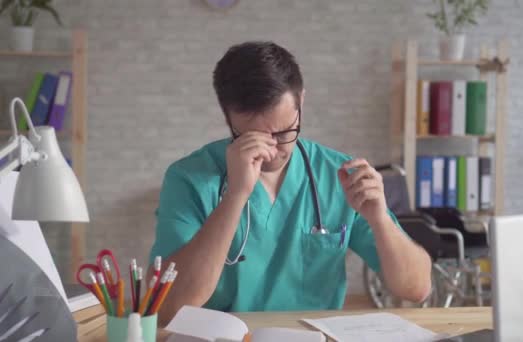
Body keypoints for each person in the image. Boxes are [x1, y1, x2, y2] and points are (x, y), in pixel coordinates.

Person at [148, 41, 431, 325]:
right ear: (228, 119)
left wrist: (379, 219)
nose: (273, 150)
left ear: (301, 102)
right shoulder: (188, 179)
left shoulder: (338, 175)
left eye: (285, 132)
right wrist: (235, 196)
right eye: (252, 138)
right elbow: (168, 309)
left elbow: (417, 288)